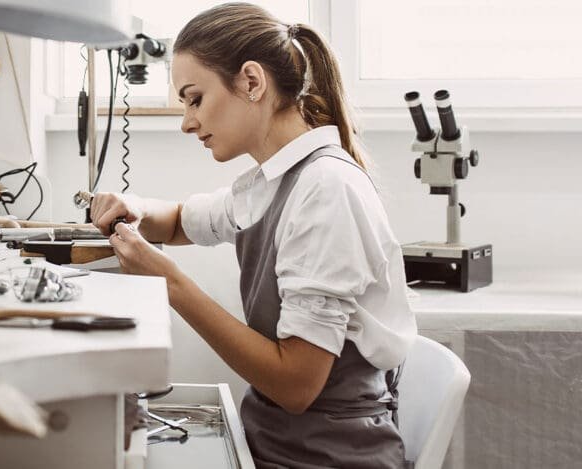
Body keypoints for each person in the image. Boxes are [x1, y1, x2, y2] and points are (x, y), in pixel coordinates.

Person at [90, 3, 418, 468]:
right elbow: (182, 220)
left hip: (328, 456)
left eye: (194, 98)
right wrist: (136, 207)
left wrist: (168, 281)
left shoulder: (326, 189)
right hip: (280, 440)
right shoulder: (274, 181)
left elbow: (295, 386)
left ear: (250, 81)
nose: (186, 122)